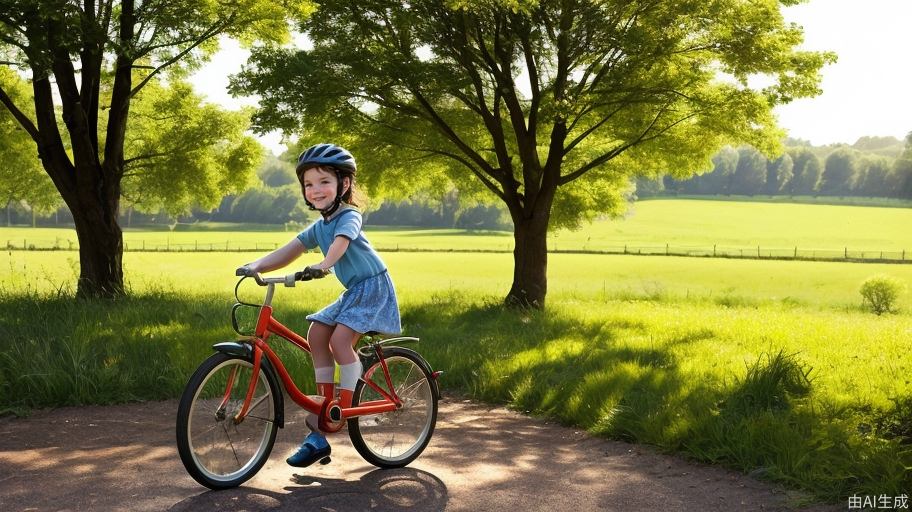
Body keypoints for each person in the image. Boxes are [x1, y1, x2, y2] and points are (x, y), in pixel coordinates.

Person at [236, 143, 401, 468]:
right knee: (316, 333)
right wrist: (256, 266)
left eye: (324, 181)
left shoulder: (349, 215)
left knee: (340, 340)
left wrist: (324, 265)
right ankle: (325, 411)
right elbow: (290, 250)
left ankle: (343, 404)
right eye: (309, 184)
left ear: (344, 184)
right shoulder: (319, 226)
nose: (316, 190)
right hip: (355, 291)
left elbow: (341, 245)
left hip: (373, 288)